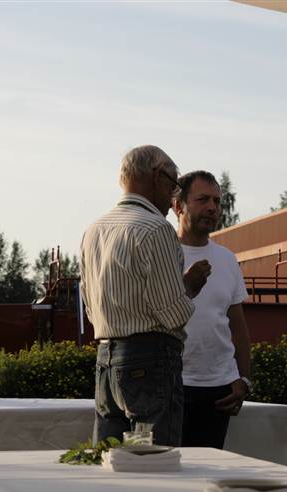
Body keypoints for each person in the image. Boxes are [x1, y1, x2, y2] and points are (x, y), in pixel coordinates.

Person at [79, 145, 210, 447]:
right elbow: (174, 314)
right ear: (156, 176)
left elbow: (90, 307)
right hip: (151, 359)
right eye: (173, 184)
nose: (174, 195)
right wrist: (188, 286)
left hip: (105, 357)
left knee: (109, 456)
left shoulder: (94, 230)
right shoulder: (156, 229)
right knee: (154, 458)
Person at [173, 170, 252, 449]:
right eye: (202, 199)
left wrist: (243, 379)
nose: (212, 208)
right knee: (166, 470)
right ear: (178, 206)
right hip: (172, 385)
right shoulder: (161, 255)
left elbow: (237, 326)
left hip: (219, 391)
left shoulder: (227, 259)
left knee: (209, 470)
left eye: (217, 201)